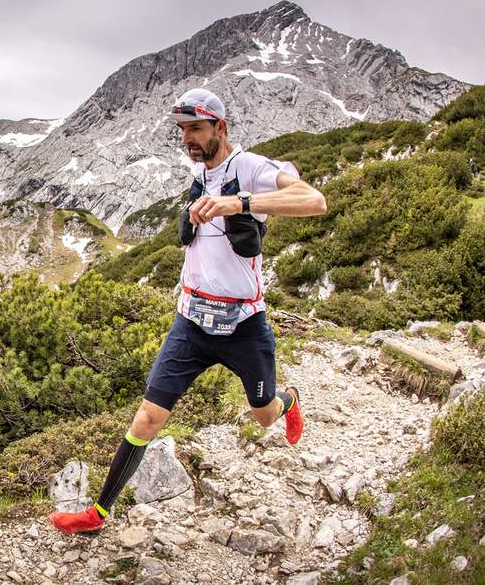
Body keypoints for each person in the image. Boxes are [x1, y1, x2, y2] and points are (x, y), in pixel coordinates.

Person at [50, 88, 327, 535]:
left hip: (243, 326)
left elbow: (314, 201)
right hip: (192, 323)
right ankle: (98, 514)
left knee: (263, 415)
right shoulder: (199, 175)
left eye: (196, 128)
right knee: (147, 417)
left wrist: (240, 204)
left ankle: (287, 400)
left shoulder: (250, 168)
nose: (188, 139)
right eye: (182, 130)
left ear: (221, 126)